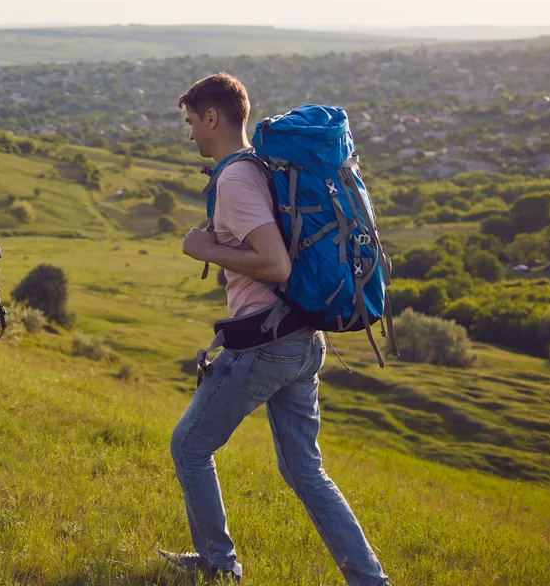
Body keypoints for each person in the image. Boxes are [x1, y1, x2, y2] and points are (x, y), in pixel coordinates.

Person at [158, 73, 389, 585]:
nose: (190, 132)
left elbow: (276, 264)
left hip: (266, 344)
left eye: (192, 121)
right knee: (305, 470)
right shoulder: (264, 168)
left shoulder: (238, 179)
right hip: (302, 340)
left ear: (213, 117)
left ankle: (219, 566)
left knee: (189, 446)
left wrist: (204, 249)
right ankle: (369, 580)